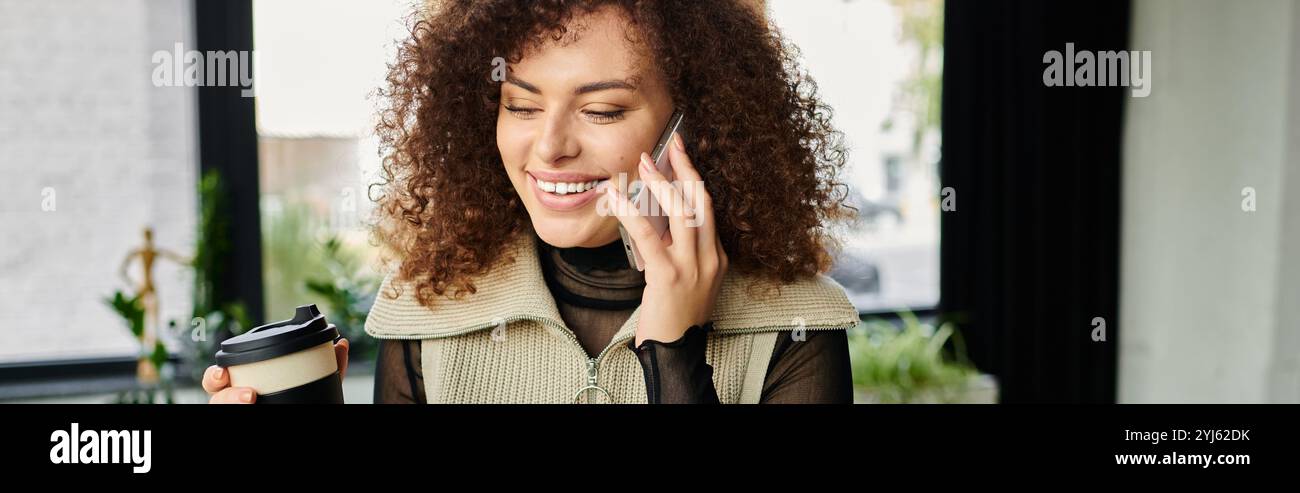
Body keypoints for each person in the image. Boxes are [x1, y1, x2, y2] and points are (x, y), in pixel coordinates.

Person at [206, 0, 859, 404]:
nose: (547, 147)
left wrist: (674, 348)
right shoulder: (429, 307)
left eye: (601, 109)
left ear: (696, 123)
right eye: (520, 104)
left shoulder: (793, 328)